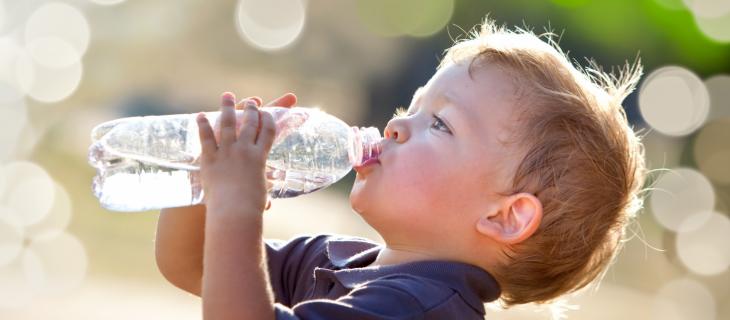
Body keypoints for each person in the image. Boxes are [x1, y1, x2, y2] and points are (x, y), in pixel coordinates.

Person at [154, 18, 646, 319]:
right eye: (409, 107)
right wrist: (205, 177)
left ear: (504, 216)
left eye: (439, 124)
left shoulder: (421, 308)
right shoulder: (340, 259)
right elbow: (194, 263)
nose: (394, 127)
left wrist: (237, 207)